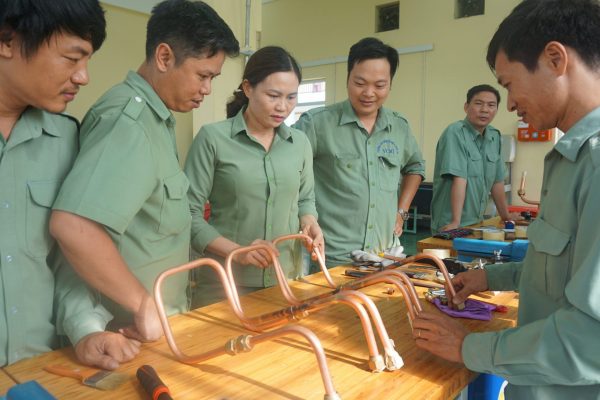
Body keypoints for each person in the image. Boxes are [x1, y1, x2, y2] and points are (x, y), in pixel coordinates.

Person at [412, 0, 600, 398]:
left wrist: (469, 347)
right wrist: (490, 277)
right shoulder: (572, 157)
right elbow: (561, 270)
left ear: (554, 59)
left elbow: (591, 341)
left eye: (508, 84)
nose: (509, 104)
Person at [49, 0, 239, 341]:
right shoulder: (129, 121)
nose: (207, 89)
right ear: (164, 57)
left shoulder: (157, 120)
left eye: (213, 78)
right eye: (203, 75)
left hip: (162, 328)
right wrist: (142, 304)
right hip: (127, 335)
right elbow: (75, 226)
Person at [0, 0, 139, 369]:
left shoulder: (64, 139)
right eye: (72, 58)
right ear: (7, 41)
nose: (83, 77)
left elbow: (63, 262)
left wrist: (85, 329)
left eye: (87, 61)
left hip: (42, 369)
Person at [185, 46, 323, 307]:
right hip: (225, 285)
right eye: (273, 95)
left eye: (291, 97)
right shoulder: (213, 139)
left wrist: (309, 222)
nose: (283, 107)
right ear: (248, 88)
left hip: (286, 280)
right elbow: (187, 214)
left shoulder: (300, 143)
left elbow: (305, 199)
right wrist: (236, 252)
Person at [293, 37, 425, 267]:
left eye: (379, 85)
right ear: (347, 79)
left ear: (390, 85)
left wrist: (401, 212)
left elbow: (415, 167)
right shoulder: (317, 124)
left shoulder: (399, 127)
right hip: (332, 258)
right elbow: (288, 170)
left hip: (385, 255)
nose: (369, 93)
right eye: (360, 82)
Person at [430, 84, 520, 233]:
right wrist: (456, 221)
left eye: (491, 105)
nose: (485, 110)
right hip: (450, 224)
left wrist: (505, 216)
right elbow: (460, 179)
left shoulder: (494, 136)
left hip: (477, 221)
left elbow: (497, 180)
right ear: (466, 107)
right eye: (478, 103)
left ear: (496, 110)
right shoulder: (455, 133)